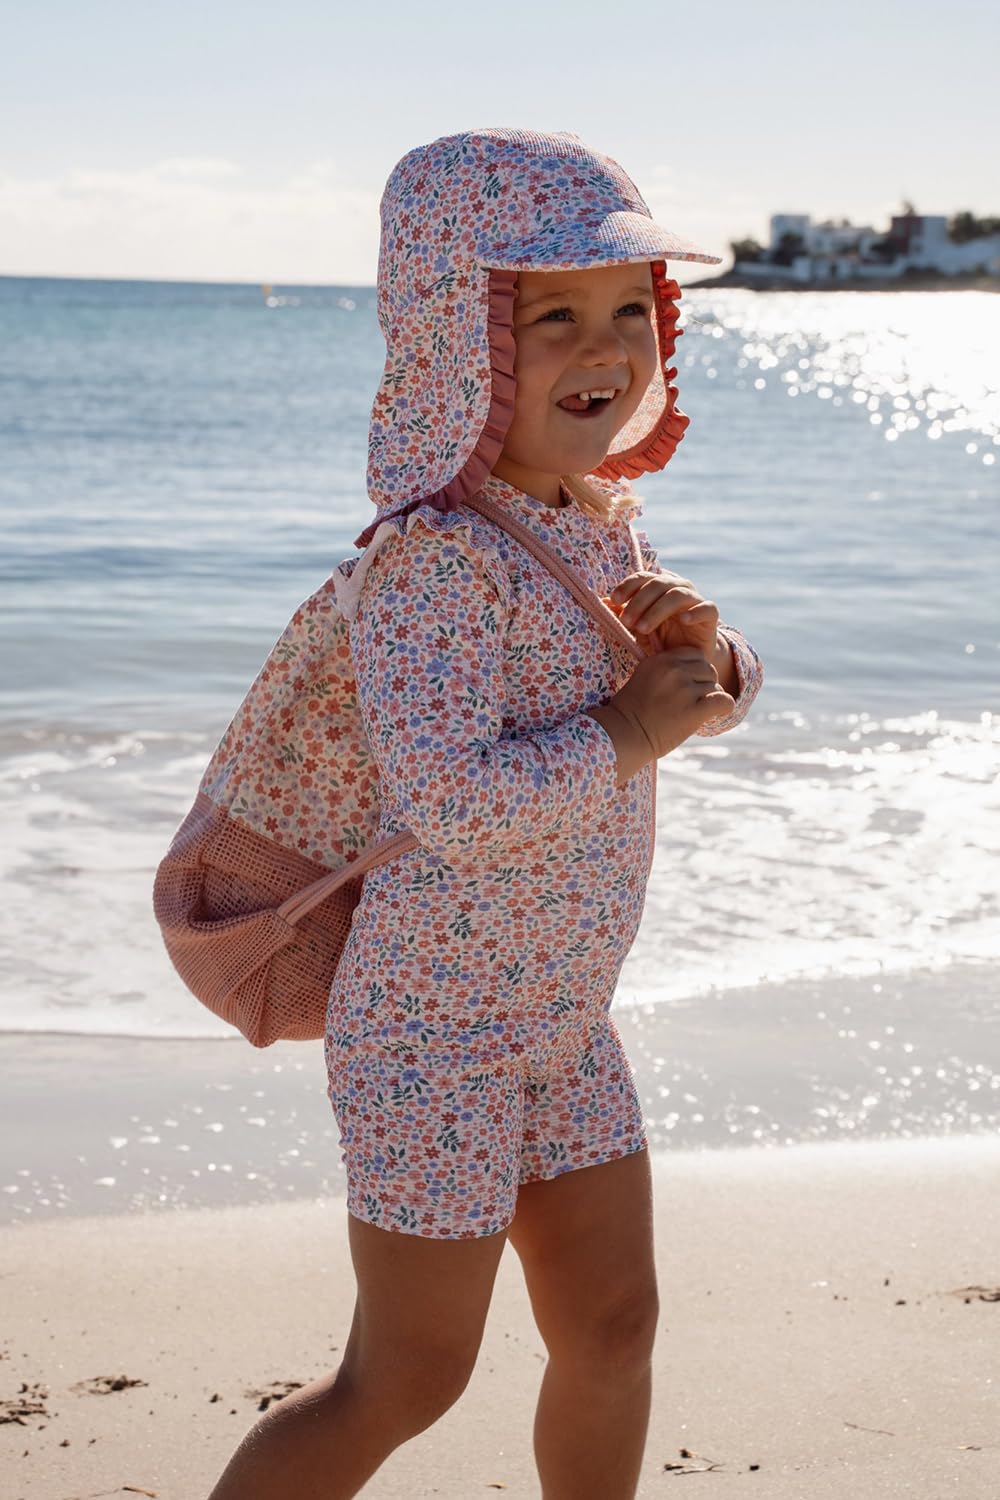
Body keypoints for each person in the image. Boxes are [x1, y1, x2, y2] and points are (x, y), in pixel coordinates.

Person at [207, 126, 764, 1500]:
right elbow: (456, 802)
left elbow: (688, 700)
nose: (606, 347)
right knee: (408, 1377)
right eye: (553, 317)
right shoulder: (433, 564)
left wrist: (709, 660)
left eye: (630, 308)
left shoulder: (600, 523)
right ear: (464, 348)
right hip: (433, 1036)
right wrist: (629, 731)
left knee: (616, 1328)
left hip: (564, 1018)